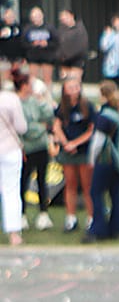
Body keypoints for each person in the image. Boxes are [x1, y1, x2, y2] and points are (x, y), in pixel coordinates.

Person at [86, 79, 119, 243]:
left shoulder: (104, 115)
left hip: (105, 159)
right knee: (116, 193)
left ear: (103, 95)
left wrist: (91, 160)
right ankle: (117, 228)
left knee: (95, 193)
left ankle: (98, 229)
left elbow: (97, 143)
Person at [50, 73, 94, 233]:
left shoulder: (87, 106)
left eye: (76, 87)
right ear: (65, 90)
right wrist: (66, 143)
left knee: (87, 185)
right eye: (71, 88)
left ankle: (91, 218)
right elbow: (56, 126)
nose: (74, 90)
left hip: (83, 151)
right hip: (68, 151)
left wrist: (76, 143)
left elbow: (91, 130)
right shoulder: (61, 108)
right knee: (70, 184)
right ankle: (71, 218)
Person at [14, 68, 51, 229]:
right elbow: (24, 127)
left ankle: (43, 214)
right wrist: (39, 128)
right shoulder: (15, 103)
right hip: (25, 148)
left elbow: (48, 116)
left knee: (43, 180)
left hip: (41, 147)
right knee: (23, 181)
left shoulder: (35, 101)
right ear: (23, 85)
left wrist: (42, 100)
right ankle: (21, 215)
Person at [0, 65, 25, 245]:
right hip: (9, 147)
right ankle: (14, 233)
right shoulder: (10, 99)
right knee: (11, 190)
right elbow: (21, 127)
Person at [54, 7, 89, 81]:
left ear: (71, 16)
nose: (62, 19)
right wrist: (59, 56)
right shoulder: (61, 30)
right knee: (65, 80)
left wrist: (68, 55)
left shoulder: (80, 29)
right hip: (63, 61)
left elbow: (81, 46)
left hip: (76, 60)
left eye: (65, 16)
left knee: (75, 80)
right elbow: (58, 44)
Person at [24, 5, 53, 88]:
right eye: (34, 17)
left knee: (47, 80)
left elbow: (56, 42)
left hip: (47, 58)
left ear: (42, 16)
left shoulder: (49, 28)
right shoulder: (28, 29)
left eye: (38, 16)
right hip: (33, 58)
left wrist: (47, 44)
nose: (36, 18)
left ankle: (48, 96)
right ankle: (34, 96)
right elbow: (23, 43)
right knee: (33, 80)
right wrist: (32, 44)